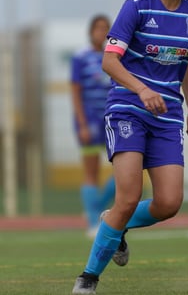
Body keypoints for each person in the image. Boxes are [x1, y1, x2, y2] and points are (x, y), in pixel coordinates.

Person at [72, 0, 188, 294]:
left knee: (168, 203)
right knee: (128, 197)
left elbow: (185, 61)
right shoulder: (137, 6)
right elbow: (109, 60)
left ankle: (117, 224)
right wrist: (142, 89)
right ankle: (88, 278)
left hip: (168, 117)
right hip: (128, 109)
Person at [70, 14, 115, 238]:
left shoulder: (114, 56)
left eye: (106, 28)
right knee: (91, 171)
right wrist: (82, 122)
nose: (102, 32)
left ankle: (95, 207)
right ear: (90, 32)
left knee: (125, 170)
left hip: (111, 119)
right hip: (89, 119)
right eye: (98, 28)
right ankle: (92, 222)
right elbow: (76, 91)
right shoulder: (80, 57)